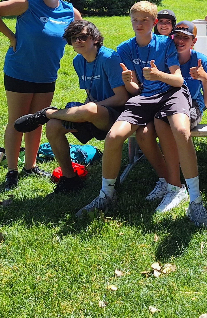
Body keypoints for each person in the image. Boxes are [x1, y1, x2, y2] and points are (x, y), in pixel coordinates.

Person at [76, 2, 207, 226]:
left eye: (144, 20)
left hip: (172, 93)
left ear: (154, 23)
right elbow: (136, 90)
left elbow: (178, 80)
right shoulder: (125, 49)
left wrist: (159, 75)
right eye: (135, 20)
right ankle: (106, 195)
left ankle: (195, 201)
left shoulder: (166, 44)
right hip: (145, 98)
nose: (139, 24)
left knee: (180, 130)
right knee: (114, 136)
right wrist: (130, 83)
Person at [0, 0, 80, 191]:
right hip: (20, 71)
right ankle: (12, 171)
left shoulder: (70, 11)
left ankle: (30, 166)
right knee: (17, 121)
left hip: (47, 74)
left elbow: (84, 36)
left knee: (36, 121)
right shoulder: (27, 4)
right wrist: (12, 37)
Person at [12, 20, 128, 194]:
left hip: (117, 116)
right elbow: (90, 92)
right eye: (74, 39)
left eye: (83, 37)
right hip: (91, 114)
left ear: (95, 38)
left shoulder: (109, 58)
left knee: (88, 109)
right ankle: (70, 179)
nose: (78, 41)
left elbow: (122, 98)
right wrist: (80, 110)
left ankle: (49, 113)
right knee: (53, 127)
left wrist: (90, 108)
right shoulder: (78, 61)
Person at [136, 21, 207, 224]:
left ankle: (183, 191)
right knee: (150, 128)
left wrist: (205, 79)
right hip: (164, 105)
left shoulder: (200, 60)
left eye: (185, 38)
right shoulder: (165, 58)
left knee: (174, 127)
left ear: (194, 41)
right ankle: (170, 183)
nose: (180, 41)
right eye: (176, 36)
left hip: (191, 108)